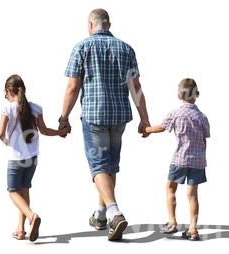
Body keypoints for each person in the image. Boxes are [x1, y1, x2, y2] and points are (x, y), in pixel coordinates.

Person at [58, 8, 150, 241]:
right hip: (119, 117)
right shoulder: (126, 49)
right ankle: (100, 215)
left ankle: (114, 212)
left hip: (94, 116)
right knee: (110, 166)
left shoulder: (82, 47)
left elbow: (72, 87)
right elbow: (135, 88)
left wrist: (63, 117)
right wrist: (144, 118)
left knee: (98, 166)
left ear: (91, 24)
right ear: (108, 25)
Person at [0, 74, 71, 242]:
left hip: (16, 158)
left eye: (5, 94)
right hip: (32, 158)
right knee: (24, 190)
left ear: (9, 91)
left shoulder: (7, 109)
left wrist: (9, 144)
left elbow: (0, 133)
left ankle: (31, 216)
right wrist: (61, 132)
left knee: (12, 191)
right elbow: (44, 131)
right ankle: (20, 229)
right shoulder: (36, 108)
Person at [144, 78, 210, 241]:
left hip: (180, 158)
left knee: (170, 188)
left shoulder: (175, 114)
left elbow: (162, 127)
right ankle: (193, 230)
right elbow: (204, 139)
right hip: (198, 160)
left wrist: (147, 130)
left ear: (178, 95)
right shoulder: (202, 117)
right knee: (193, 195)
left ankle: (172, 223)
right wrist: (202, 156)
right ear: (198, 94)